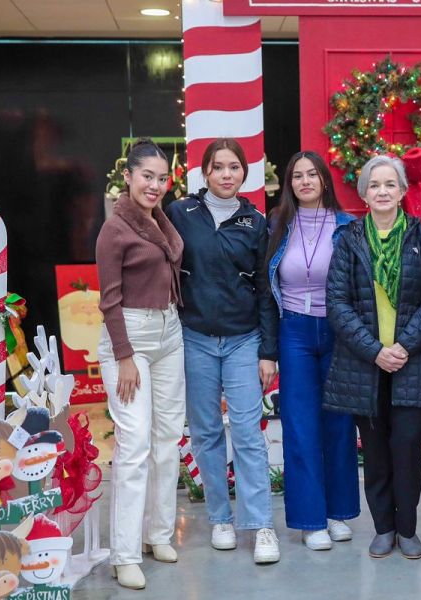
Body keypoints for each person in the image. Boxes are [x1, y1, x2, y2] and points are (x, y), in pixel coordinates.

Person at [324, 154, 421, 560]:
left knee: (408, 449)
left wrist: (404, 346)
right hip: (365, 366)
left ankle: (408, 529)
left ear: (401, 191)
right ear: (364, 193)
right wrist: (376, 351)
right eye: (374, 185)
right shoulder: (348, 240)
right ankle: (383, 528)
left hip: (412, 362)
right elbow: (337, 303)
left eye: (389, 184)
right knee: (375, 452)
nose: (381, 191)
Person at [166, 138, 281, 565]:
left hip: (243, 339)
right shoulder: (180, 213)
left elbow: (266, 291)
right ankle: (221, 518)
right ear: (206, 172)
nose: (226, 174)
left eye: (234, 167)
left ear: (243, 174)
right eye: (218, 167)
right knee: (207, 432)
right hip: (194, 336)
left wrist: (268, 351)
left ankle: (261, 523)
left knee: (249, 433)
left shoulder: (256, 223)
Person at [96, 138, 186, 590]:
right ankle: (124, 554)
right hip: (129, 335)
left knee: (167, 437)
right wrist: (125, 356)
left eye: (161, 177)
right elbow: (109, 302)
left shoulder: (158, 220)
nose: (154, 184)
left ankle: (158, 533)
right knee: (134, 446)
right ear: (128, 176)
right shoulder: (115, 230)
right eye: (146, 175)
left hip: (170, 331)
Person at [266, 151, 361, 550]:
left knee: (339, 424)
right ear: (290, 184)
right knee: (301, 425)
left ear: (325, 180)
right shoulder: (276, 224)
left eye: (312, 174)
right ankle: (310, 520)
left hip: (338, 331)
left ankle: (337, 512)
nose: (305, 181)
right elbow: (262, 289)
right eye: (297, 176)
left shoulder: (348, 226)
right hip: (294, 332)